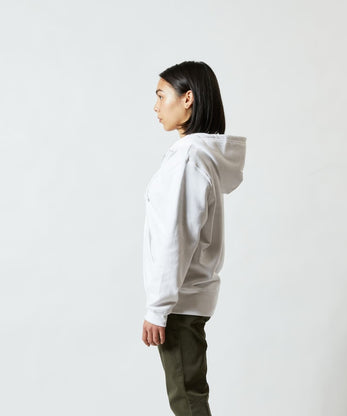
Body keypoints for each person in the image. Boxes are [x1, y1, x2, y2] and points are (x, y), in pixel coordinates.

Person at [141, 60, 247, 416]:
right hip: (187, 300)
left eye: (161, 96)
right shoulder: (198, 157)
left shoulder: (188, 160)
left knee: (187, 402)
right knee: (190, 398)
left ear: (188, 99)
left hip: (179, 303)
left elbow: (176, 237)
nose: (156, 106)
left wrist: (158, 308)